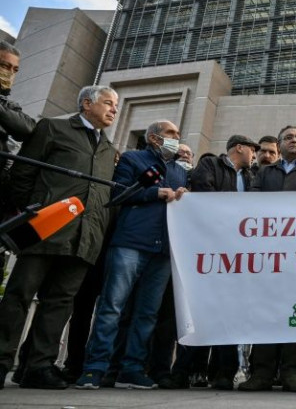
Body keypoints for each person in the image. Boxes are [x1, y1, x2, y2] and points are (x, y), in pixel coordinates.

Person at [0, 85, 118, 390]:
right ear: (87, 104)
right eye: (108, 103)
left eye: (116, 106)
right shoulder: (53, 127)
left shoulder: (108, 148)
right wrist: (32, 210)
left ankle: (38, 367)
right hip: (44, 230)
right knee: (19, 296)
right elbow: (23, 173)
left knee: (60, 303)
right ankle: (1, 361)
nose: (114, 110)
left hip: (84, 237)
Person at [76, 120, 188, 390]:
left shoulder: (179, 171)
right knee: (112, 308)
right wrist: (155, 193)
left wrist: (184, 196)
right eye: (171, 133)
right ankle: (95, 368)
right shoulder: (132, 159)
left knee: (147, 313)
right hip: (130, 243)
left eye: (177, 134)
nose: (177, 138)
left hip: (162, 251)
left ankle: (132, 369)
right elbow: (119, 192)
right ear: (153, 138)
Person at [164, 135, 260, 390]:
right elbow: (204, 196)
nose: (254, 155)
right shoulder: (210, 166)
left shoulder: (251, 178)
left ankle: (224, 374)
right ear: (239, 148)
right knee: (199, 311)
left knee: (230, 314)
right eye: (253, 150)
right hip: (208, 251)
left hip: (237, 255)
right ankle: (181, 372)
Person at [239, 125, 296, 393]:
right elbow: (252, 202)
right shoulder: (264, 172)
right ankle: (262, 373)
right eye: (289, 137)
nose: (295, 141)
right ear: (279, 144)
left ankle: (291, 372)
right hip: (268, 253)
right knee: (266, 312)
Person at [0, 41, 35, 290]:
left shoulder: (8, 105)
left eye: (14, 69)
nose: (9, 73)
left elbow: (26, 128)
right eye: (3, 65)